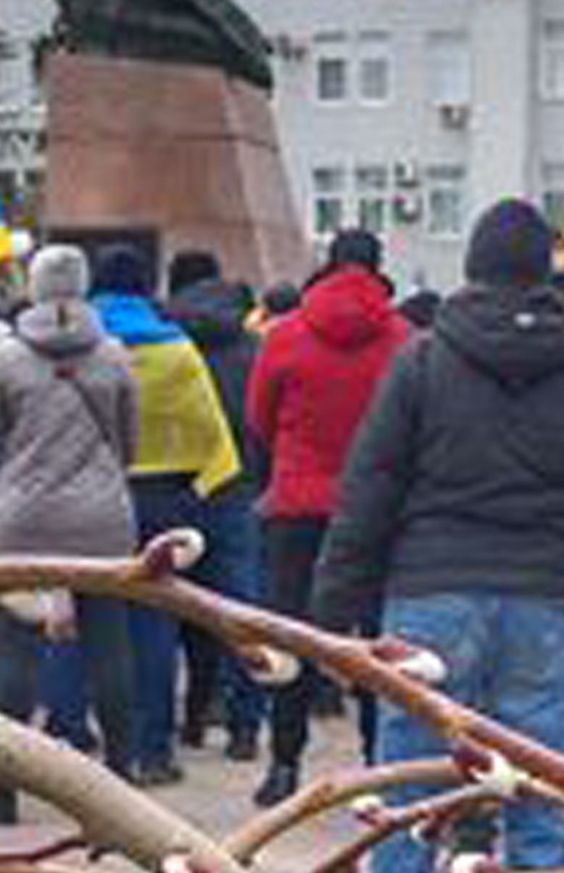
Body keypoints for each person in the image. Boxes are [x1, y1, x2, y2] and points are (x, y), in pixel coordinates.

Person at [315, 199, 564, 873]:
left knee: (410, 794)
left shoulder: (423, 362)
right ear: (546, 272)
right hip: (545, 604)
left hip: (428, 598)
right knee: (537, 799)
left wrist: (335, 611)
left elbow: (372, 488)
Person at [0, 244, 140, 821]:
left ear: (36, 286)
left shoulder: (8, 359)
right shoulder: (114, 356)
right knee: (110, 646)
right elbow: (128, 441)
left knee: (13, 653)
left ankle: (2, 788)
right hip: (101, 519)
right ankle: (123, 773)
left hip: (21, 518)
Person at [245, 227, 408, 806]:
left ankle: (284, 765)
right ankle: (378, 765)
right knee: (376, 644)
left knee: (294, 637)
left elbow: (259, 420)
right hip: (376, 511)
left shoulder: (283, 336)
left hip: (297, 507)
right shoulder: (404, 339)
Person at [92, 247, 240, 786]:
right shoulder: (176, 349)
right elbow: (212, 436)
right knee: (155, 624)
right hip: (164, 499)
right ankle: (154, 749)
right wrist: (199, 490)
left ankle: (99, 745)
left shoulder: (85, 344)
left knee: (95, 623)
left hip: (94, 494)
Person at [162, 251, 268, 761]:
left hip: (171, 486)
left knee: (175, 609)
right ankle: (245, 726)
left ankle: (188, 720)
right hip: (234, 488)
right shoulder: (252, 347)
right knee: (238, 613)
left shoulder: (163, 342)